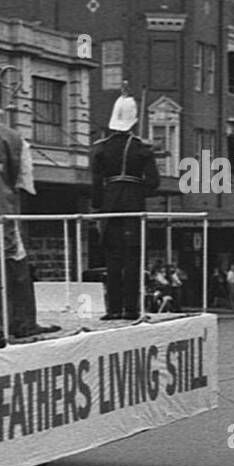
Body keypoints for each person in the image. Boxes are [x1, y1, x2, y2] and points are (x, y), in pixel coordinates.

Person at [0, 55, 57, 346]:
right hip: (3, 214)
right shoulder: (11, 137)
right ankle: (22, 323)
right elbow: (23, 182)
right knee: (16, 270)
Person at [90, 90, 160, 320]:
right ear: (134, 120)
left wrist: (100, 204)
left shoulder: (100, 148)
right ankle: (131, 309)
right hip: (133, 207)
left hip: (110, 208)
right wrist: (135, 189)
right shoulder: (142, 148)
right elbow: (154, 183)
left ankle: (113, 309)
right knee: (132, 260)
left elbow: (96, 184)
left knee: (112, 261)